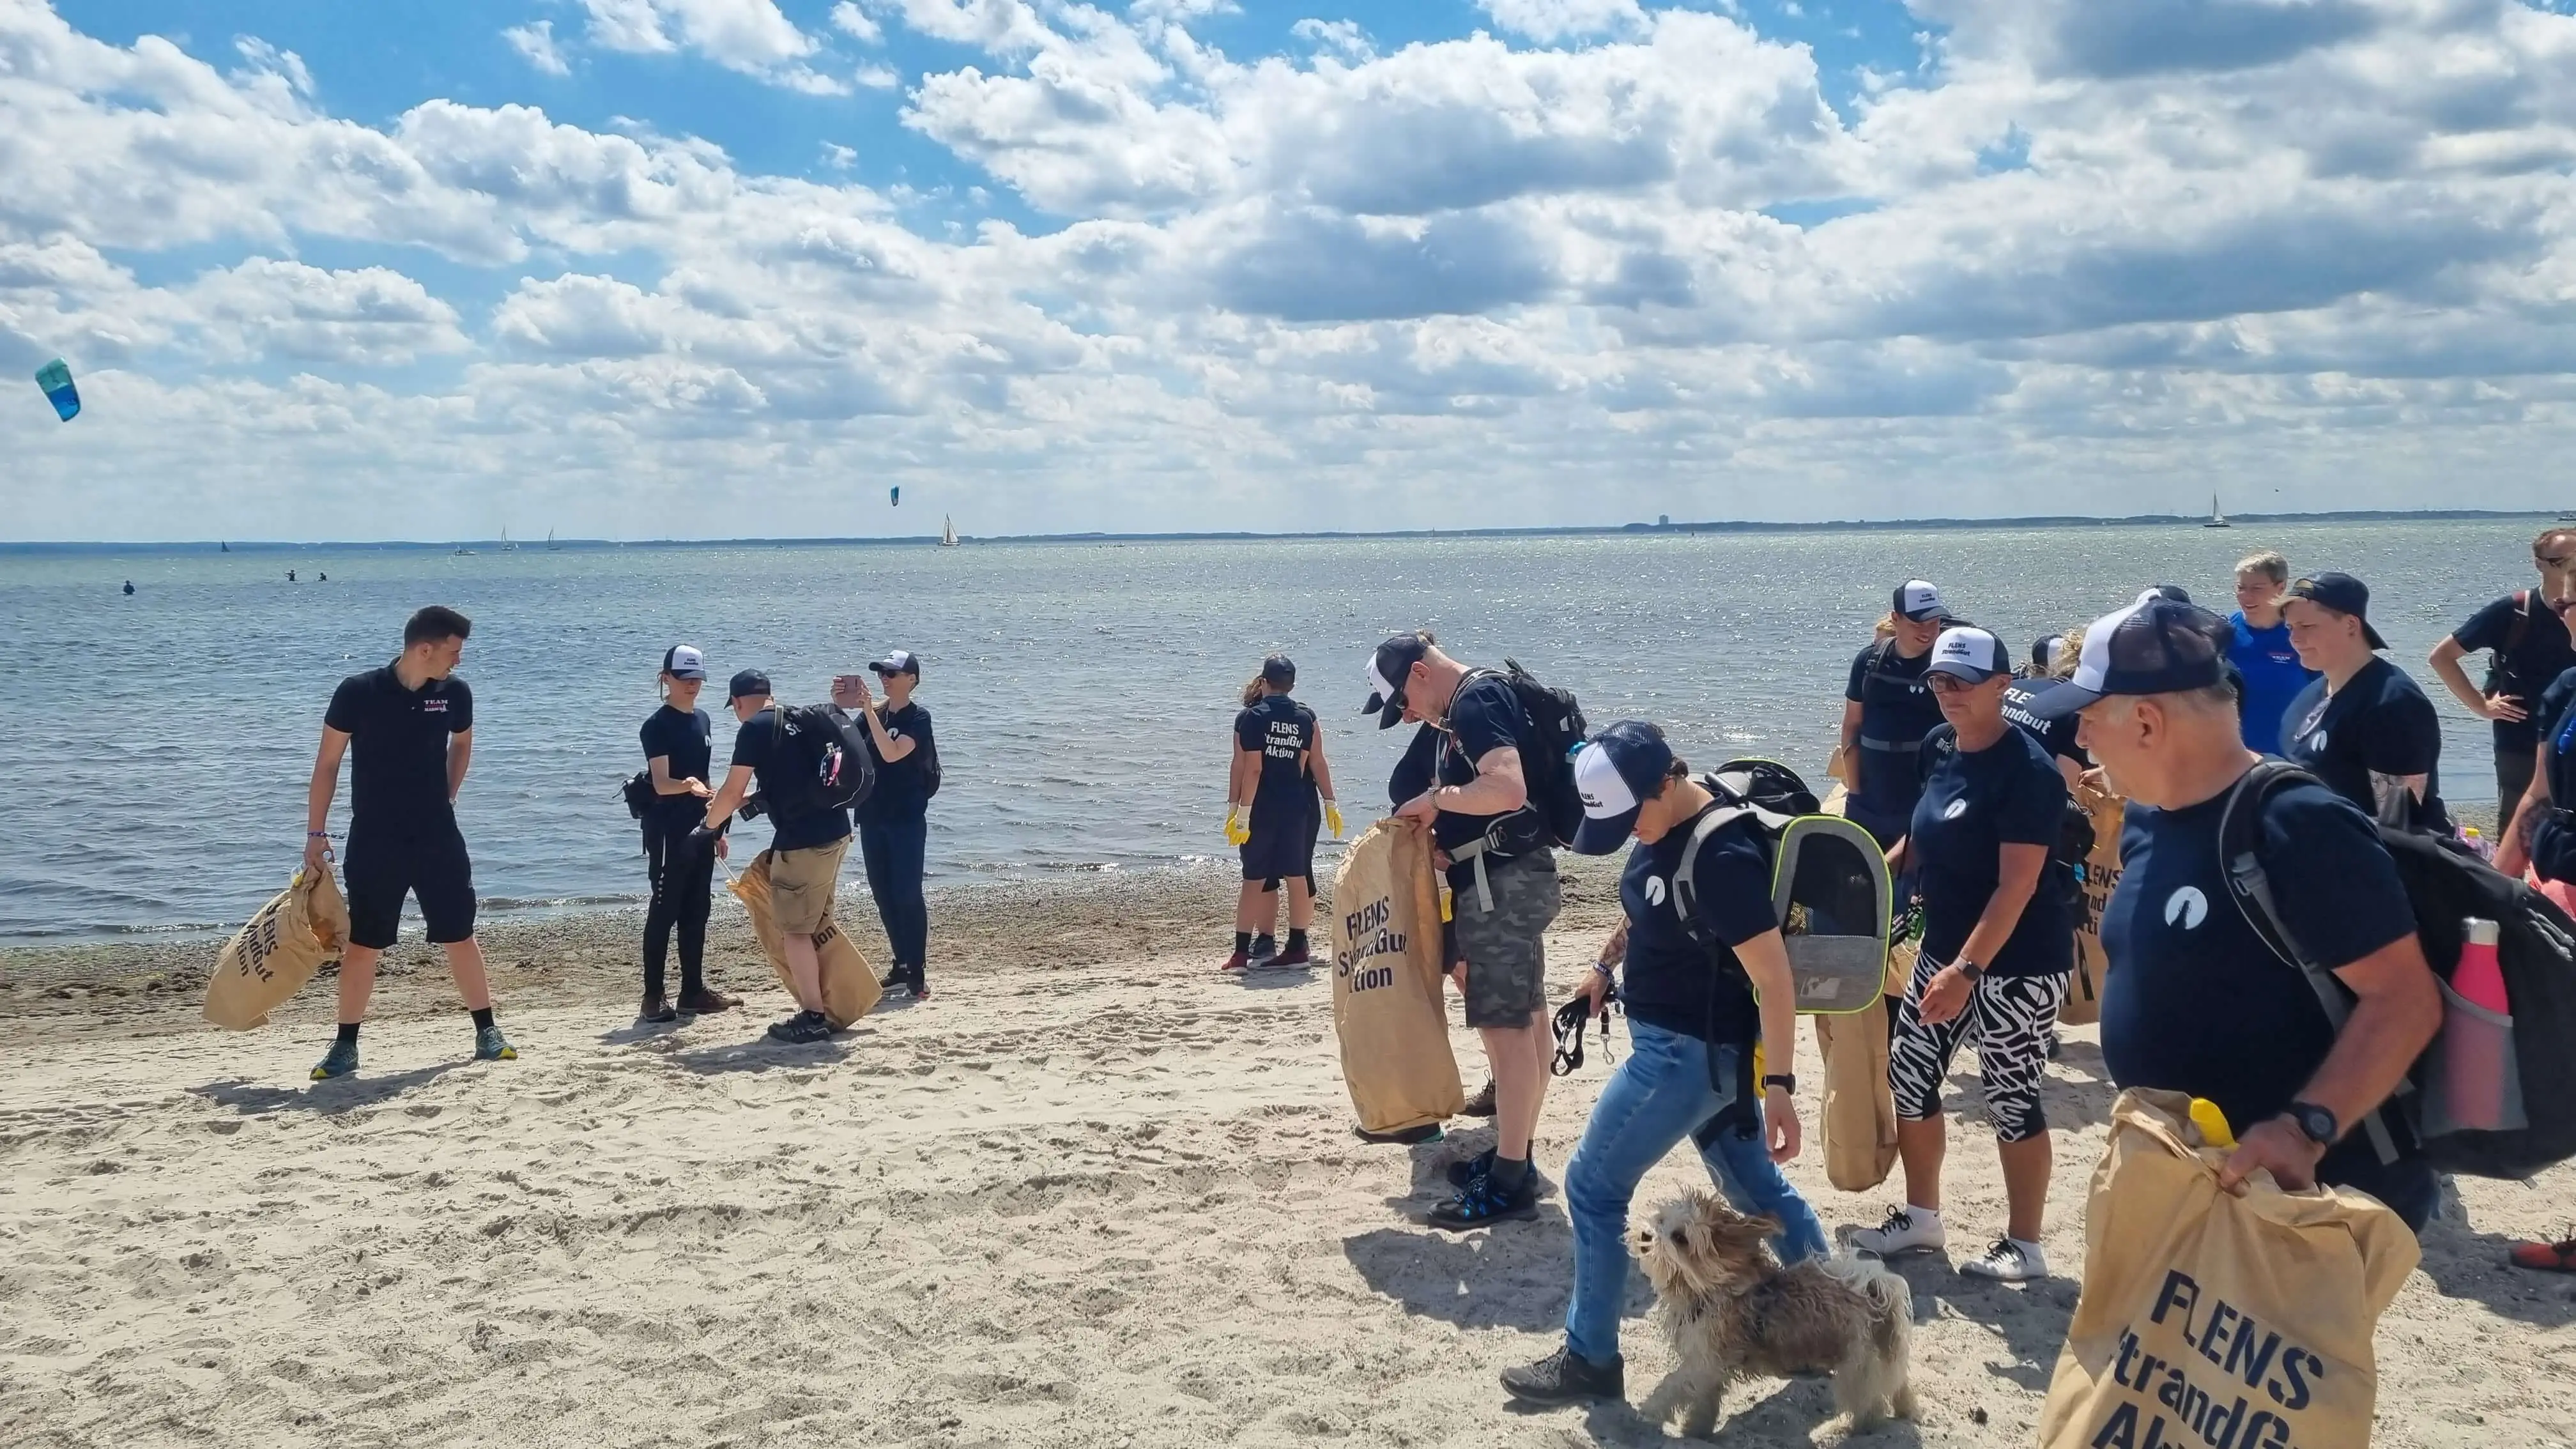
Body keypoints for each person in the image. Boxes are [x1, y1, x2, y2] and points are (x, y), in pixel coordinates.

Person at [2032, 590, 2444, 1232]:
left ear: (2145, 722)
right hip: (2190, 1180)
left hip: (2299, 1193)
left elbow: (2405, 999)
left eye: (2088, 718)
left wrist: (2306, 1128)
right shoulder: (2146, 817)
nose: (2080, 739)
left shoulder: (2296, 823)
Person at [1499, 722, 1827, 1406]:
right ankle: (1828, 1324)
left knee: (1591, 1187)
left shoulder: (1723, 855)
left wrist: (1782, 1089)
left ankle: (1590, 1358)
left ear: (1668, 782)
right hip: (1695, 1054)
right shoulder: (1664, 826)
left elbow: (1773, 979)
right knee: (1759, 1195)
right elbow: (1646, 907)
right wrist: (1602, 969)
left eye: (1633, 820)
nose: (1630, 835)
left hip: (1686, 1056)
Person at [1853, 627, 2072, 1282]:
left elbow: (2019, 885)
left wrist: (1966, 971)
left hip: (2018, 963)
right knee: (1911, 1074)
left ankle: (2025, 1245)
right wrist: (1872, 878)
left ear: (2003, 687)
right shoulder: (1940, 745)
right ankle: (1923, 1218)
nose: (1947, 695)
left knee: (2011, 1097)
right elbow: (1926, 832)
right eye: (1939, 682)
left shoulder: (2029, 772)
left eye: (1963, 683)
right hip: (1943, 950)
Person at [1365, 631, 1563, 1229]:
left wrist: (1436, 801)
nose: (1407, 715)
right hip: (1509, 878)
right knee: (1525, 1025)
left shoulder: (1474, 702)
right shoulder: (1471, 704)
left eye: (1403, 701)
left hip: (1503, 885)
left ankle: (1509, 1181)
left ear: (1421, 673)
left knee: (1508, 1033)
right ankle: (1513, 1161)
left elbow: (1507, 787)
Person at [302, 605, 514, 1079]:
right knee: (364, 941)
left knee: (459, 932)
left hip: (437, 833)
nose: (457, 661)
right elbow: (328, 764)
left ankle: (487, 1032)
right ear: (425, 648)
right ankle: (345, 1046)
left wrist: (450, 792)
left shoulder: (454, 694)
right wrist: (316, 834)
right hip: (375, 837)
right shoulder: (358, 693)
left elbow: (462, 743)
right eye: (453, 652)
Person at [699, 669, 854, 1045]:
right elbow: (791, 782)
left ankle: (814, 1016)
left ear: (737, 702)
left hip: (802, 842)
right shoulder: (796, 719)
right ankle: (834, 1005)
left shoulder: (753, 729)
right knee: (817, 923)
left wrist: (707, 828)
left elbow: (733, 791)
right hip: (837, 832)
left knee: (795, 933)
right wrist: (748, 804)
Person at [2430, 528, 2576, 827]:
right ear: (2540, 564)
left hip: (2571, 735)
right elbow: (2442, 657)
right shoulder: (2514, 611)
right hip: (2520, 735)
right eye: (2564, 561)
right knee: (2516, 821)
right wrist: (2481, 707)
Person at [2280, 572, 2450, 831]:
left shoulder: (2392, 703)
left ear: (2350, 625)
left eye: (2307, 626)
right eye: (2290, 628)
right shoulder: (2313, 692)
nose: (2294, 638)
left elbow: (2401, 824)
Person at [637, 645, 740, 1022]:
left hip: (699, 828)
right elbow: (663, 784)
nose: (692, 686)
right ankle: (653, 996)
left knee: (698, 910)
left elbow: (707, 780)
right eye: (685, 680)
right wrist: (690, 786)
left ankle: (693, 992)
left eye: (697, 680)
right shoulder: (657, 726)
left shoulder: (704, 719)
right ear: (667, 678)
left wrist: (716, 829)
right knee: (664, 911)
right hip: (667, 830)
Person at [1222, 656, 1341, 972]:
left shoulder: (1251, 718)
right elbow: (1311, 762)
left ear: (1263, 683)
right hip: (1297, 806)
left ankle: (1240, 953)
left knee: (1254, 878)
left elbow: (1252, 769)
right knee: (1297, 875)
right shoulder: (1305, 717)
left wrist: (1239, 810)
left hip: (1262, 807)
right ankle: (1298, 947)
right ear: (1292, 685)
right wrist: (1330, 802)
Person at [1840, 581, 1952, 847]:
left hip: (1924, 806)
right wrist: (1855, 794)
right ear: (1895, 618)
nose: (1927, 631)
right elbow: (1851, 727)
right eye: (1918, 623)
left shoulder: (1947, 669)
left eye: (1934, 622)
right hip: (1869, 803)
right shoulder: (1869, 662)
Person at [852, 650, 937, 1000]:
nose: (885, 678)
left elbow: (891, 752)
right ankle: (900, 965)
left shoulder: (919, 718)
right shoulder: (874, 715)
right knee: (884, 895)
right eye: (882, 673)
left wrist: (869, 713)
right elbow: (847, 746)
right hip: (872, 816)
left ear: (911, 680)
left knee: (907, 894)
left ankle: (917, 972)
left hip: (906, 818)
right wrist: (840, 710)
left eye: (892, 673)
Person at [2227, 551, 2313, 755]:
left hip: (2294, 759)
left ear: (2281, 587)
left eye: (2257, 588)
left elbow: (2328, 697)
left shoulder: (2302, 634)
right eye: (2241, 588)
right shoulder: (2223, 633)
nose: (2246, 596)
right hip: (2235, 761)